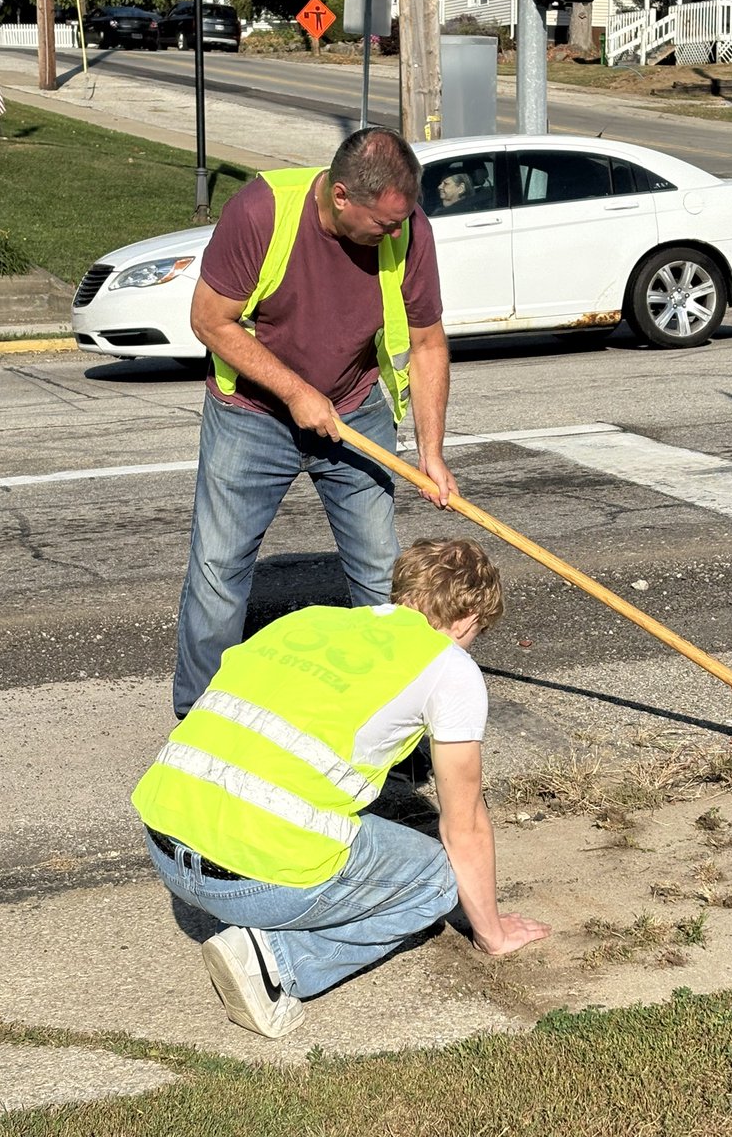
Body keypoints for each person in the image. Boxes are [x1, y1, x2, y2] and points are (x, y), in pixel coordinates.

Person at [133, 538, 551, 1039]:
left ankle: (259, 918)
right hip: (250, 881)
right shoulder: (449, 667)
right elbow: (465, 826)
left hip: (163, 845)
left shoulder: (309, 621)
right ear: (467, 619)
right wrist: (492, 933)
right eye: (476, 632)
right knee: (436, 879)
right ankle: (273, 962)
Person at [173, 126, 457, 720]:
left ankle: (394, 727)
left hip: (355, 407)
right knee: (218, 572)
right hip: (251, 416)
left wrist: (431, 451)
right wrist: (296, 391)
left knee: (382, 572)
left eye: (404, 220)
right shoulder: (261, 212)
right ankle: (200, 724)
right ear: (342, 195)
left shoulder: (408, 230)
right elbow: (209, 320)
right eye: (384, 223)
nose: (397, 233)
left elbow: (428, 344)